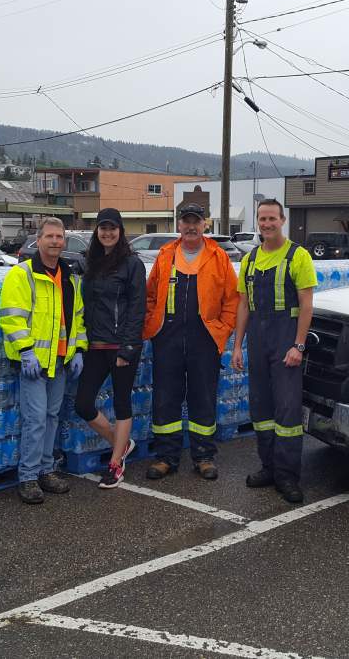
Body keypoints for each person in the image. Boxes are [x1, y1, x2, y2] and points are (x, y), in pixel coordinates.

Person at [143, 203, 238, 480]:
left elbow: (232, 300)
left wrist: (222, 329)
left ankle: (204, 456)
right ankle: (166, 457)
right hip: (168, 338)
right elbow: (150, 296)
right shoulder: (165, 255)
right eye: (186, 221)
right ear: (179, 224)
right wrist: (154, 327)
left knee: (203, 398)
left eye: (196, 221)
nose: (191, 226)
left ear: (205, 224)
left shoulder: (218, 257)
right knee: (165, 399)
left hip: (204, 339)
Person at [231, 198, 316, 504]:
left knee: (287, 411)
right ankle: (268, 467)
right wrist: (237, 345)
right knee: (262, 409)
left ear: (282, 220)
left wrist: (298, 345)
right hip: (257, 339)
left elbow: (306, 304)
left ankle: (287, 476)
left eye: (272, 219)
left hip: (285, 340)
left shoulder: (298, 256)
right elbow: (243, 304)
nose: (266, 224)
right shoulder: (250, 259)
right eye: (262, 219)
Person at [0, 217, 88, 504]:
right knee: (35, 419)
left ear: (65, 242)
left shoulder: (70, 277)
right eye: (49, 236)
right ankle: (27, 476)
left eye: (59, 237)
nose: (54, 241)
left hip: (60, 360)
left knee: (51, 417)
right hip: (34, 363)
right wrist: (25, 351)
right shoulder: (22, 274)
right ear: (38, 241)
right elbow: (12, 317)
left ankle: (46, 470)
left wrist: (78, 351)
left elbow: (77, 320)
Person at [74, 208, 146, 489]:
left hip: (121, 345)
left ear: (120, 230)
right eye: (102, 228)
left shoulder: (132, 264)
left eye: (112, 228)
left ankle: (115, 465)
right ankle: (122, 443)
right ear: (96, 231)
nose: (107, 233)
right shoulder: (90, 263)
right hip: (94, 345)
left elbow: (137, 309)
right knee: (83, 404)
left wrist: (128, 347)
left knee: (121, 403)